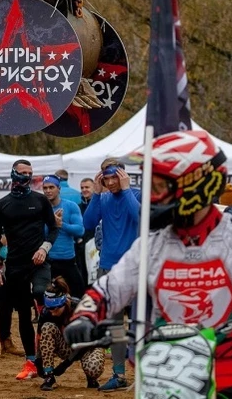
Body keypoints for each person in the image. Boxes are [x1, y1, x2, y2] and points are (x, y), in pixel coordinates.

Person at [64, 130, 232, 399]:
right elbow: (107, 288)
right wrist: (84, 316)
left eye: (161, 186)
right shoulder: (152, 245)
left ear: (196, 186)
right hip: (162, 369)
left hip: (227, 371)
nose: (154, 195)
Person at [0, 159, 60, 381]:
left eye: (30, 172)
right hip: (15, 264)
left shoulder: (40, 200)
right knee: (22, 312)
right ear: (13, 174)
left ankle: (48, 348)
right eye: (23, 172)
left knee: (41, 294)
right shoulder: (1, 205)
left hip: (39, 261)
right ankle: (31, 361)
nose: (27, 176)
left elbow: (53, 230)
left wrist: (44, 249)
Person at [81, 157, 141, 391]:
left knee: (138, 324)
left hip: (135, 267)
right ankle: (119, 374)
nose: (110, 182)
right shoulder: (103, 198)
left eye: (114, 177)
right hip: (108, 267)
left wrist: (125, 190)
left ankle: (144, 374)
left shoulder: (135, 194)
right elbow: (88, 223)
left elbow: (140, 218)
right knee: (115, 325)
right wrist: (95, 194)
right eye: (106, 178)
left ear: (123, 175)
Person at [36, 276, 104, 391]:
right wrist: (38, 360)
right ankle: (49, 377)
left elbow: (86, 342)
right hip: (66, 345)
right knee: (47, 327)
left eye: (55, 309)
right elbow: (39, 337)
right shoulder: (46, 312)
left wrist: (66, 364)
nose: (52, 312)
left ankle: (91, 378)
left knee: (94, 368)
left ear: (63, 303)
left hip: (87, 346)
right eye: (49, 309)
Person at [41, 175, 85, 298]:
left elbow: (80, 230)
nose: (48, 191)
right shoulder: (41, 208)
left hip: (68, 259)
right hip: (49, 260)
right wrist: (51, 224)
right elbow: (40, 235)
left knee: (78, 294)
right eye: (45, 188)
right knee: (48, 295)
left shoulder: (70, 206)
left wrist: (61, 224)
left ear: (59, 189)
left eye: (51, 187)